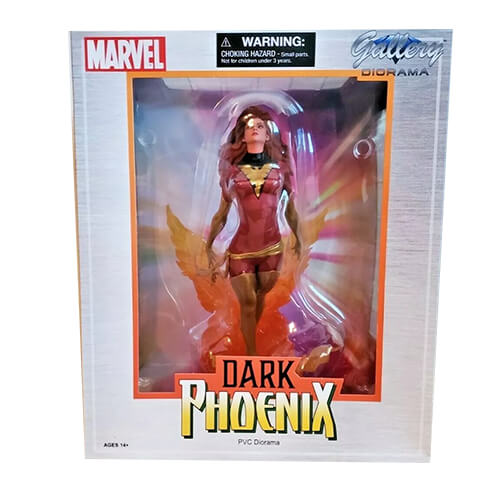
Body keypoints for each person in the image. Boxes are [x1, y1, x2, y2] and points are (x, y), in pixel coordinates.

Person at [206, 106, 302, 355]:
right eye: (249, 127)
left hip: (272, 248)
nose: (255, 129)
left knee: (259, 297)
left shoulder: (280, 171)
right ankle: (251, 355)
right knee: (248, 302)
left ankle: (245, 336)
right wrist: (208, 246)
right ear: (243, 136)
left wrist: (299, 238)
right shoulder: (233, 173)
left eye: (260, 126)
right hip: (241, 249)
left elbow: (290, 210)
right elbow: (222, 213)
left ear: (268, 135)